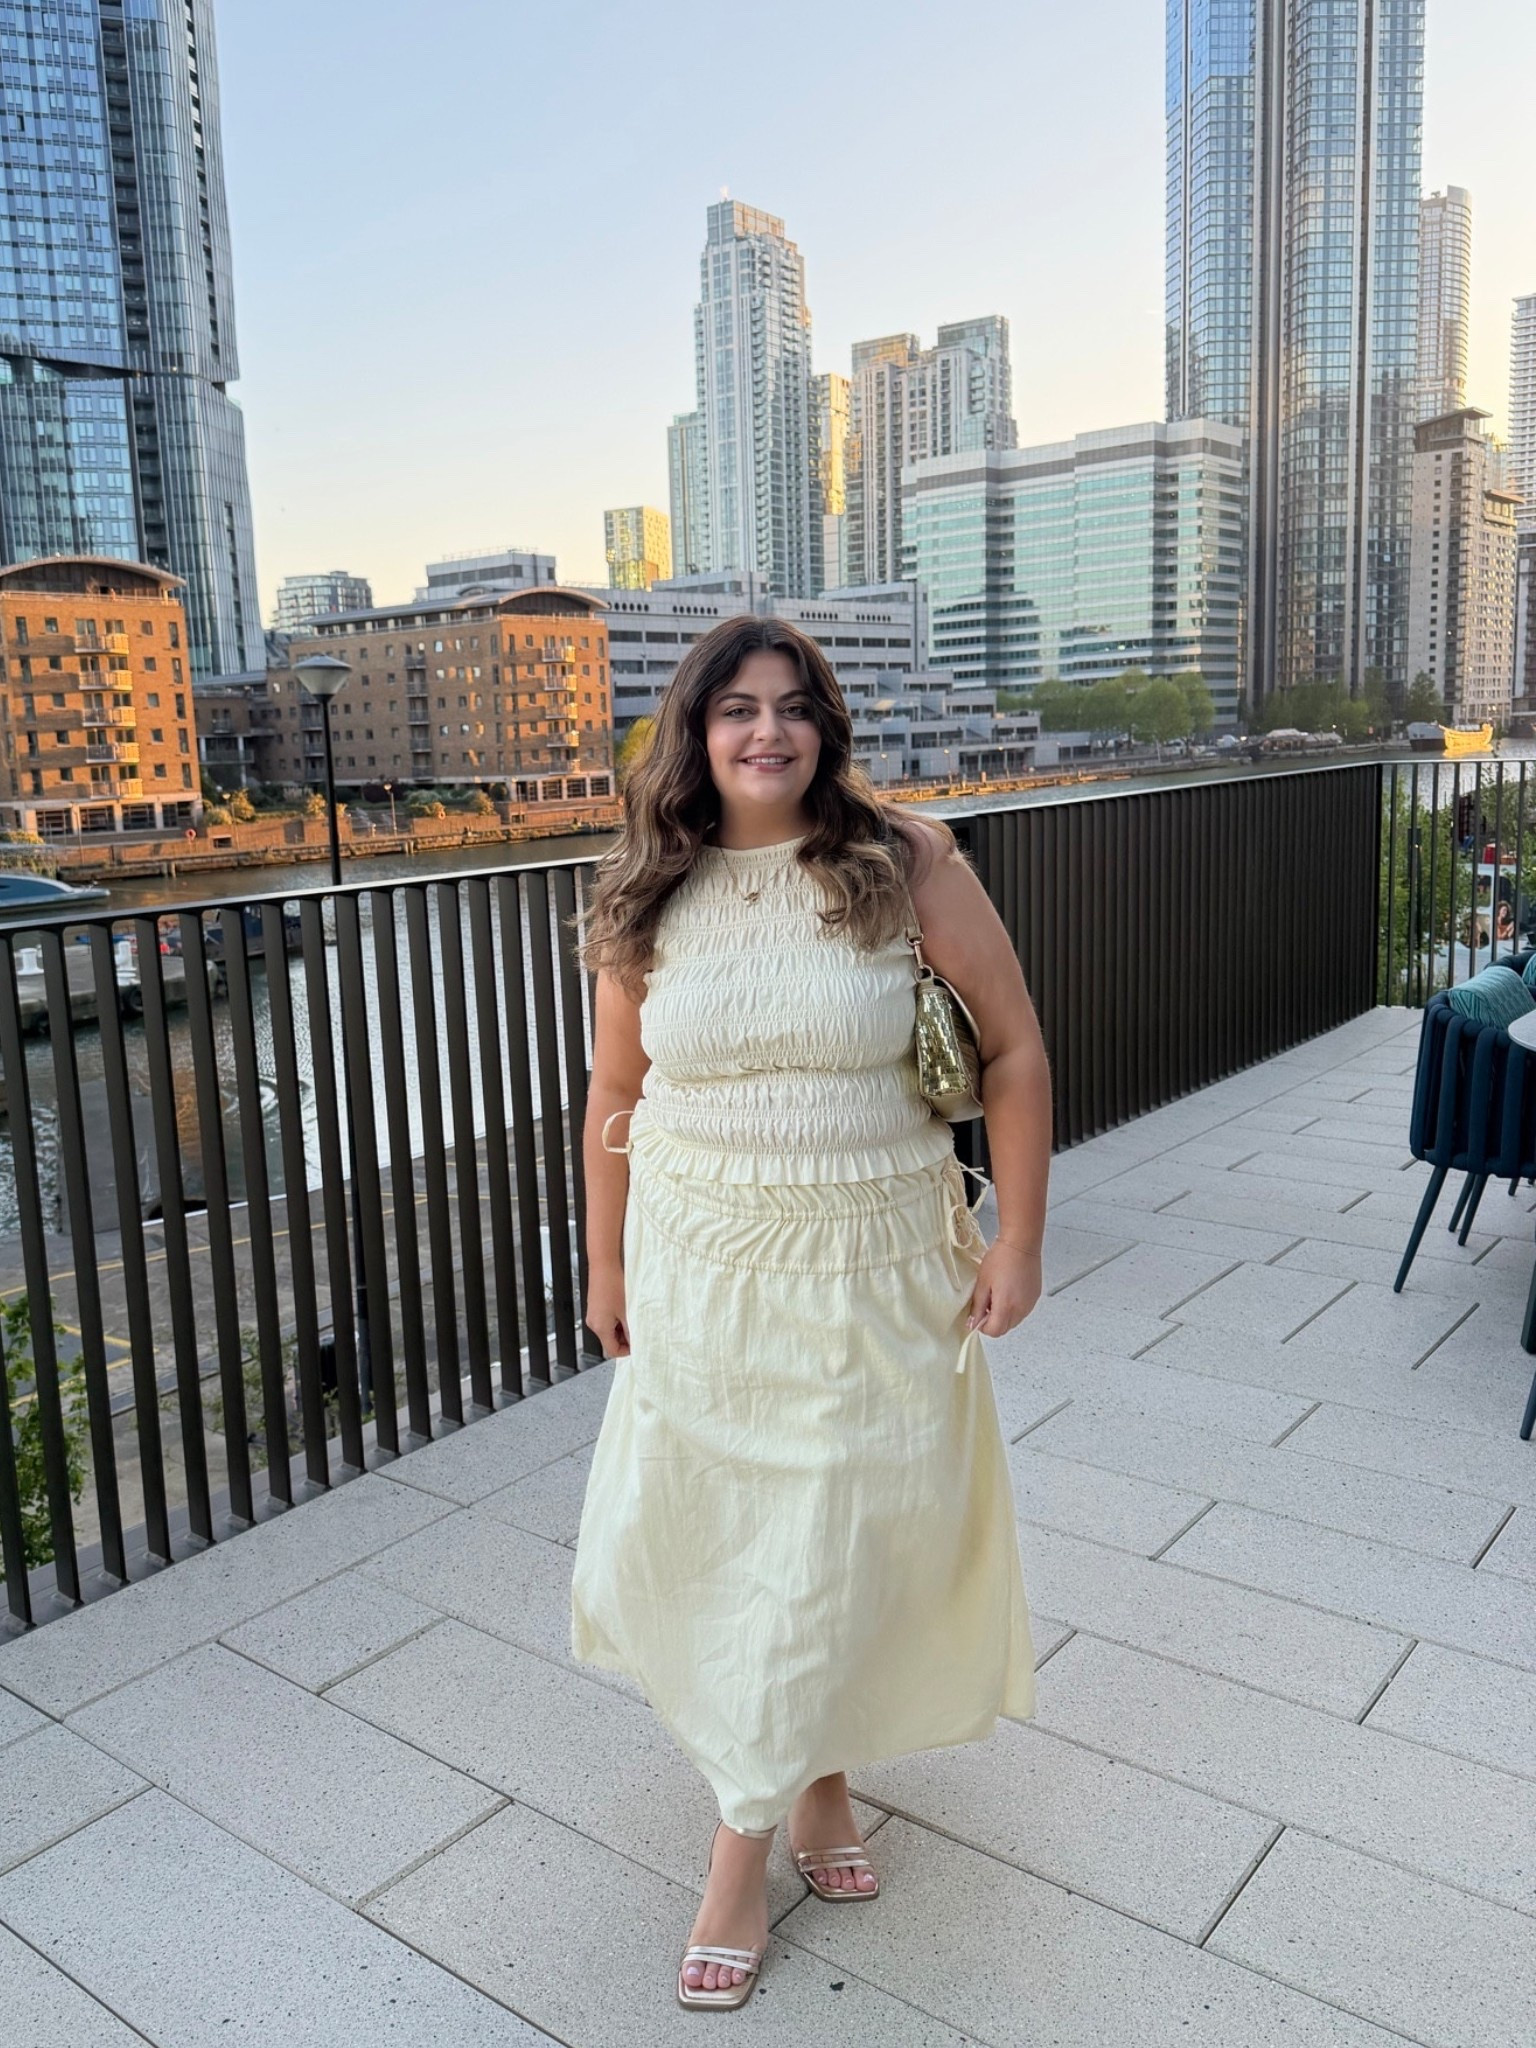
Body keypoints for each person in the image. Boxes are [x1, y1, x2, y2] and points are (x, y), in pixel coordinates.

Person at [570, 615, 1050, 2011]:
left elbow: (1011, 1046)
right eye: (734, 710)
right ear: (693, 733)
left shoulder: (902, 862)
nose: (765, 732)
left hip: (877, 1258)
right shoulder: (644, 890)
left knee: (835, 1525)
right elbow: (613, 1098)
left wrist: (1020, 1234)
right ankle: (815, 1784)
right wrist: (604, 1269)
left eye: (791, 708)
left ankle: (737, 1851)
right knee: (744, 1544)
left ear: (826, 728)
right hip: (702, 1262)